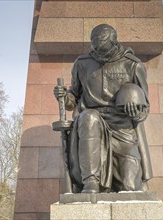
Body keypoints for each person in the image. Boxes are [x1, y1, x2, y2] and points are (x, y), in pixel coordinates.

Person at [54, 24, 152, 193]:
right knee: (89, 117)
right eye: (96, 49)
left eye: (104, 50)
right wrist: (64, 97)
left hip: (123, 128)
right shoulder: (82, 64)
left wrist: (137, 112)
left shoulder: (133, 65)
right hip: (92, 123)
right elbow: (73, 98)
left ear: (115, 44)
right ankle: (90, 181)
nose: (100, 54)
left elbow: (145, 106)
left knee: (131, 187)